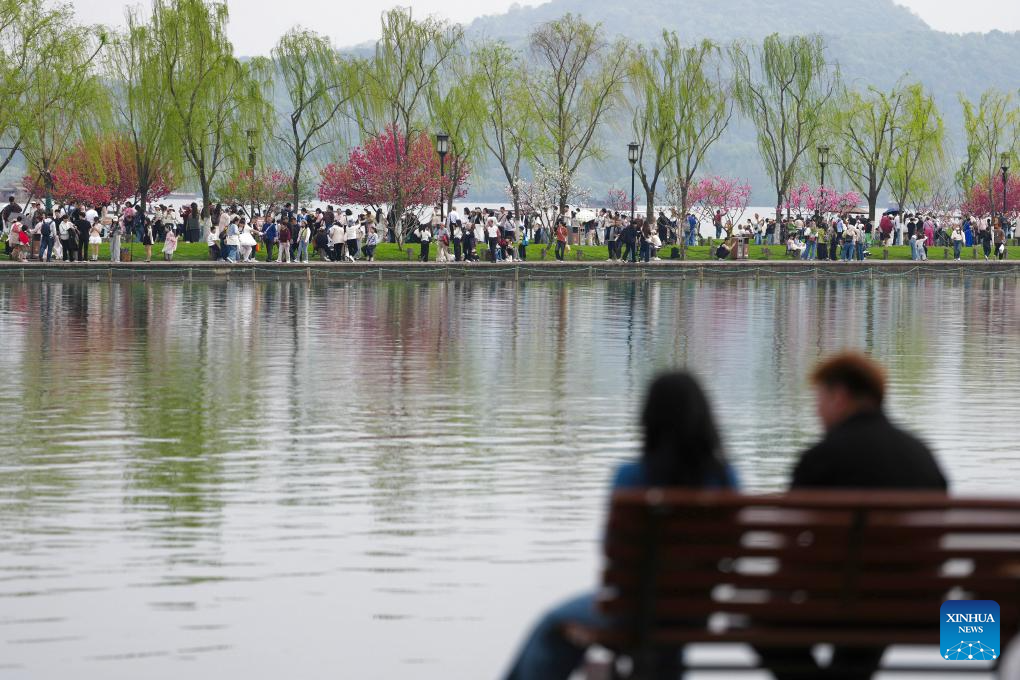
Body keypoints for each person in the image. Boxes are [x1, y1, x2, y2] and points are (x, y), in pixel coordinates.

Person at [503, 372, 737, 680]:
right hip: (695, 613)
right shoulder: (725, 480)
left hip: (633, 611)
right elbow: (731, 552)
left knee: (552, 623)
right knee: (664, 630)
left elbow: (613, 550)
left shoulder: (632, 477)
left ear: (648, 417)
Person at [759, 353, 947, 680]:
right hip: (919, 604)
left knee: (756, 622)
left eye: (819, 398)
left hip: (838, 601)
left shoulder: (821, 457)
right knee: (869, 614)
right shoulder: (920, 454)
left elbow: (788, 545)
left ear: (840, 396)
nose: (816, 409)